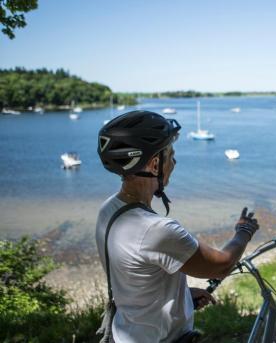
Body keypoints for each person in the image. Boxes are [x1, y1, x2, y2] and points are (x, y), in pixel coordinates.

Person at [95, 110, 259, 343]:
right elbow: (221, 266)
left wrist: (181, 297)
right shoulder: (156, 230)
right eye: (170, 155)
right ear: (153, 165)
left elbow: (133, 279)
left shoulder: (108, 210)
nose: (174, 162)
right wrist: (244, 232)